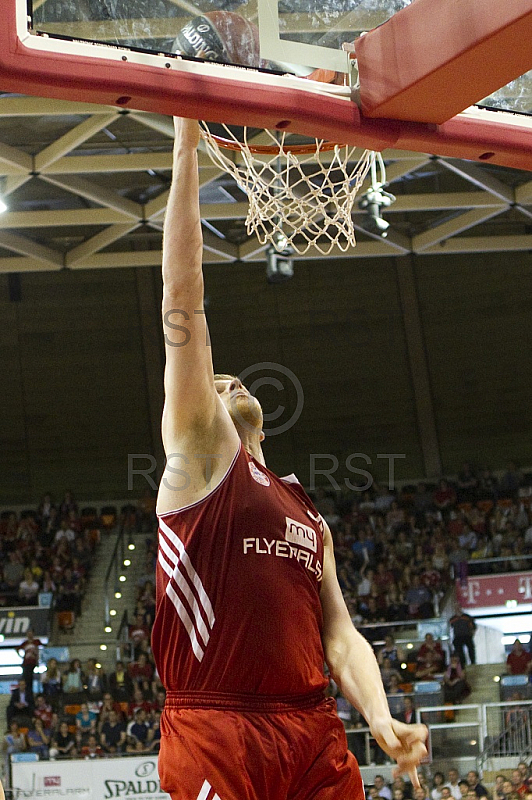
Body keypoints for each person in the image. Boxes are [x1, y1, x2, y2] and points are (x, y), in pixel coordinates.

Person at [151, 117, 428, 800]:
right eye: (215, 382)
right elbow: (183, 298)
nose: (226, 381)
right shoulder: (201, 454)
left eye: (233, 378)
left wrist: (380, 713)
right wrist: (187, 145)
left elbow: (340, 637)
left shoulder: (308, 514)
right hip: (218, 724)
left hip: (312, 731)